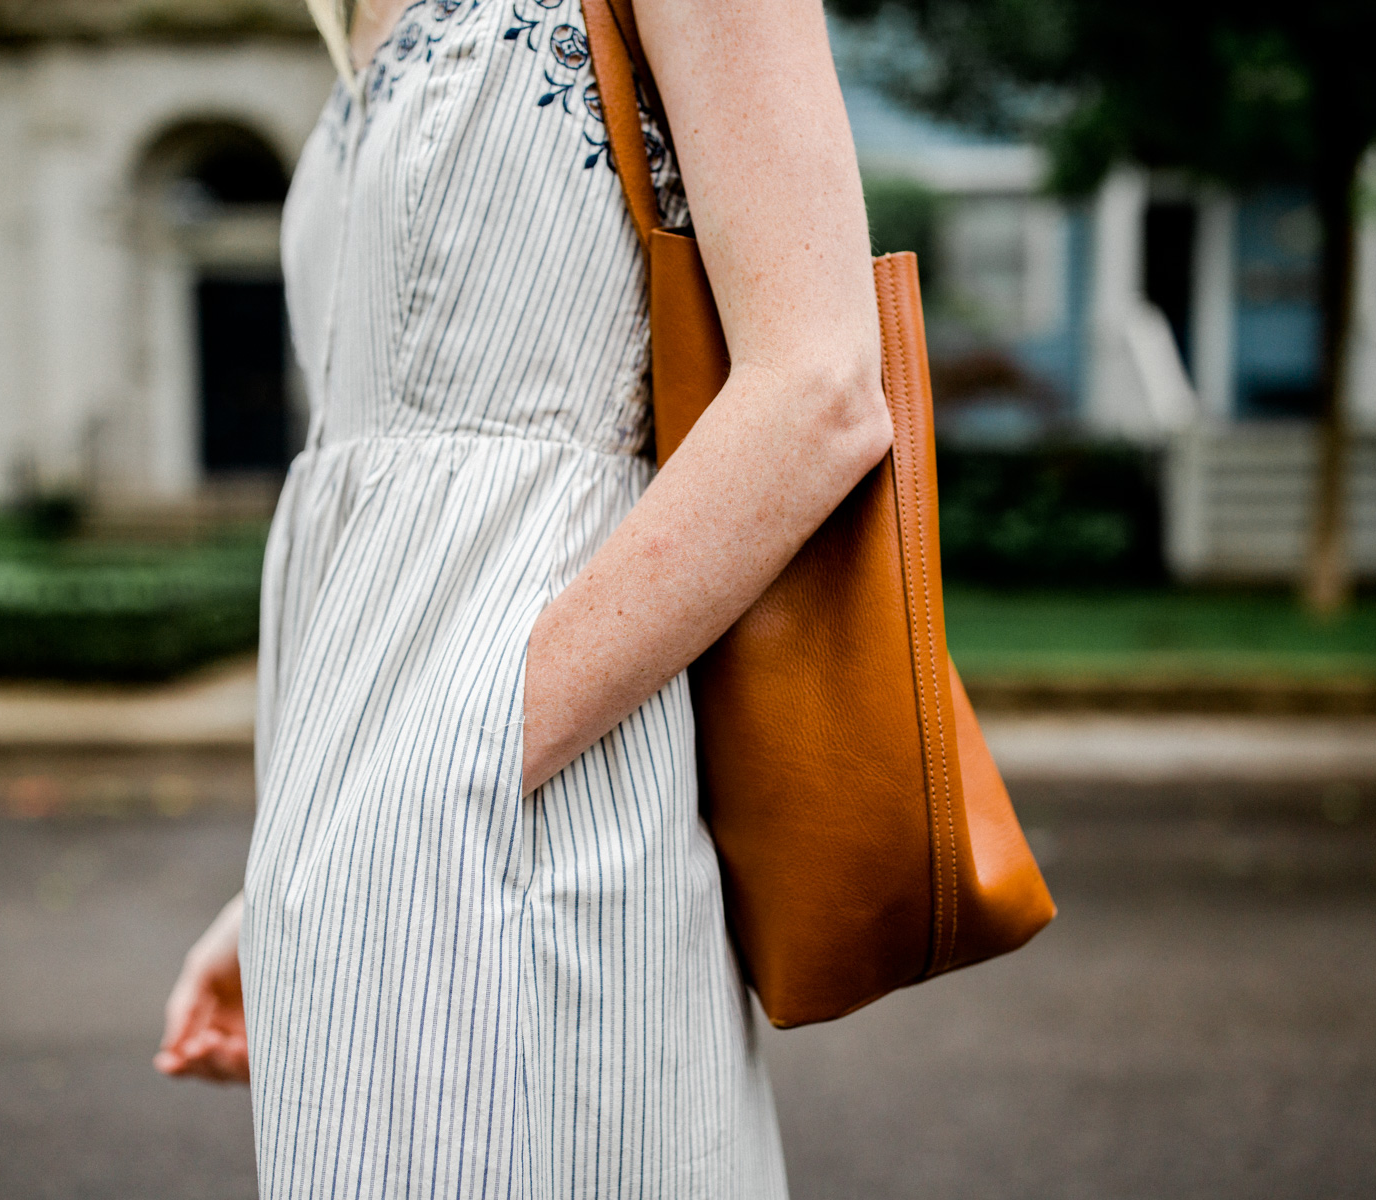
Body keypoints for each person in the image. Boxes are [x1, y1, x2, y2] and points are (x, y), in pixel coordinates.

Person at [155, 0, 891, 1193]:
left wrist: (464, 755)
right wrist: (291, 862)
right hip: (363, 825)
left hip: (530, 806)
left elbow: (817, 389)